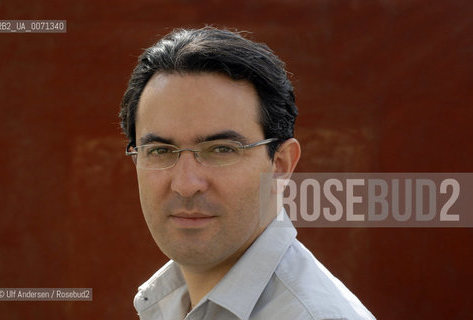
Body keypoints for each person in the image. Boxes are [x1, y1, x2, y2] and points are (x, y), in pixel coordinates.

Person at [119, 27, 375, 320]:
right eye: (161, 150)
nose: (186, 185)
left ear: (280, 165)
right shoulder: (165, 302)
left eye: (221, 150)